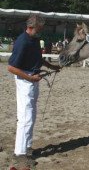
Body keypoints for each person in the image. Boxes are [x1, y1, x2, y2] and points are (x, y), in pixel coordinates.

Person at [7, 15, 61, 168]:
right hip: (26, 81)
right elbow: (11, 67)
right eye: (39, 29)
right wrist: (30, 78)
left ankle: (27, 148)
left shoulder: (34, 40)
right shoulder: (22, 42)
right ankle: (19, 153)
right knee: (25, 118)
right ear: (31, 27)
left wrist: (51, 67)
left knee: (31, 115)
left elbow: (38, 58)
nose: (40, 32)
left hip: (33, 79)